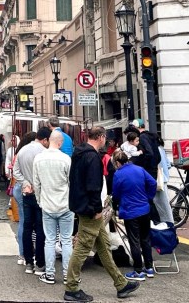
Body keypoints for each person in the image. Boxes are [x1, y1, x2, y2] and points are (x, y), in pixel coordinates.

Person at [64, 126, 139, 302]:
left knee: (104, 246)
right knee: (82, 247)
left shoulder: (79, 153)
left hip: (82, 206)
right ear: (101, 137)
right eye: (105, 137)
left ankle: (120, 283)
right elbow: (93, 187)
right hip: (90, 209)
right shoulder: (92, 157)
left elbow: (76, 182)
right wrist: (97, 209)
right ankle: (71, 288)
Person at [33, 129, 74, 285]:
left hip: (47, 204)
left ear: (49, 140)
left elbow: (36, 183)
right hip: (65, 204)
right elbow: (71, 183)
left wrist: (39, 200)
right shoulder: (66, 159)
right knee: (66, 241)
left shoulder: (38, 158)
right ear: (60, 142)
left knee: (49, 240)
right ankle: (67, 275)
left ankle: (49, 274)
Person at [111, 149, 158, 281]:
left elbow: (116, 194)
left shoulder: (118, 174)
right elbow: (153, 183)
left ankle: (138, 270)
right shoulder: (139, 169)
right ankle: (149, 268)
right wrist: (148, 197)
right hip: (144, 209)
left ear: (117, 162)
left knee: (134, 241)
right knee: (145, 239)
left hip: (130, 211)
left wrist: (116, 204)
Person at [17, 127, 50, 274]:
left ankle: (29, 262)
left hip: (27, 194)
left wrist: (25, 183)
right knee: (40, 228)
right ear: (45, 139)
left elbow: (15, 171)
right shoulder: (44, 152)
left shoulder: (23, 150)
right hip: (40, 194)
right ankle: (40, 263)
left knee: (27, 228)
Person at [10, 131, 36, 264]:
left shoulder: (19, 153)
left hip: (18, 187)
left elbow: (15, 171)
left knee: (23, 223)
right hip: (28, 188)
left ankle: (22, 254)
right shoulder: (32, 154)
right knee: (29, 222)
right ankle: (27, 254)